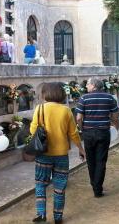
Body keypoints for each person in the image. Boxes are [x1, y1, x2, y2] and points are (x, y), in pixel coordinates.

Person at [30, 82, 86, 223]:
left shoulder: (40, 108)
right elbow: (73, 133)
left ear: (45, 94)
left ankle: (41, 214)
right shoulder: (66, 110)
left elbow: (32, 131)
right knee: (60, 187)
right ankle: (58, 217)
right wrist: (81, 149)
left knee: (40, 184)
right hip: (61, 155)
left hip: (43, 154)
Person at [76, 77, 119, 198]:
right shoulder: (109, 97)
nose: (86, 86)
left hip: (88, 133)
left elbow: (79, 118)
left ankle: (94, 184)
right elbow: (115, 115)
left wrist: (82, 128)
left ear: (94, 85)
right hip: (103, 132)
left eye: (88, 84)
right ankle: (98, 188)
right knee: (101, 160)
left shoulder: (84, 98)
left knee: (90, 160)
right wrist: (116, 126)